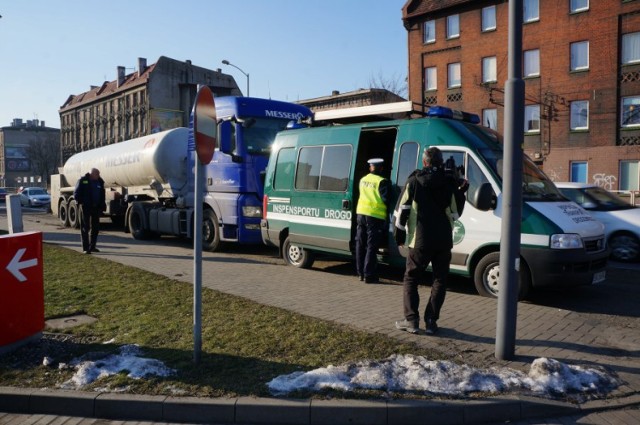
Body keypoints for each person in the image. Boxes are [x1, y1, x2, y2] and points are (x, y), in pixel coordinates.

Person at [393, 147, 467, 335]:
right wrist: (461, 192)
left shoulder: (413, 181)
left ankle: (411, 321)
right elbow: (456, 214)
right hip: (443, 241)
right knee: (439, 281)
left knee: (411, 278)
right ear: (440, 162)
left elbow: (402, 211)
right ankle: (431, 322)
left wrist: (399, 235)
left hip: (420, 240)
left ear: (425, 162)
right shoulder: (449, 183)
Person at [355, 158, 391, 284]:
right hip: (374, 217)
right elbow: (386, 199)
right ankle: (369, 274)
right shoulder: (382, 181)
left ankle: (360, 273)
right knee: (371, 246)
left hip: (361, 214)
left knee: (360, 244)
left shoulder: (363, 179)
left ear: (371, 167)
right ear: (381, 168)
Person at [74, 168, 106, 254]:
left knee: (95, 228)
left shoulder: (100, 182)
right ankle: (86, 248)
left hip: (96, 207)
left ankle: (92, 246)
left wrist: (102, 205)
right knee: (85, 227)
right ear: (92, 174)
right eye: (97, 174)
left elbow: (102, 194)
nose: (99, 176)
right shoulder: (83, 180)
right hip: (86, 207)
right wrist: (81, 202)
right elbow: (76, 193)